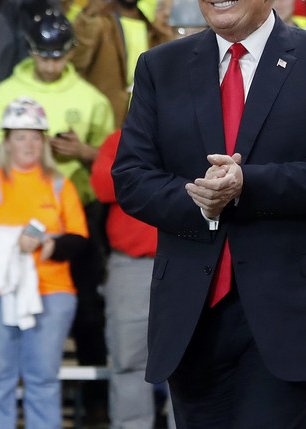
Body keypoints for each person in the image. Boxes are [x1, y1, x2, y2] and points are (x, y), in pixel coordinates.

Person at [112, 0, 306, 428]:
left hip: (289, 312)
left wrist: (246, 185)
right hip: (193, 314)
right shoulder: (159, 68)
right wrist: (200, 199)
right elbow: (132, 177)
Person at [0, 97, 89, 429]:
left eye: (34, 136)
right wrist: (11, 240)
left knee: (42, 379)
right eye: (20, 136)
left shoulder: (60, 184)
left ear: (43, 141)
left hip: (51, 293)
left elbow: (78, 238)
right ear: (6, 141)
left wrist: (48, 246)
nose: (28, 144)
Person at [92, 130, 176, 429]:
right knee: (128, 361)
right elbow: (103, 187)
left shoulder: (202, 131)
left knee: (191, 362)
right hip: (133, 265)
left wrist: (143, 176)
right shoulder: (118, 140)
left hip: (191, 263)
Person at [72, 0, 170, 127]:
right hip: (101, 124)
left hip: (145, 124)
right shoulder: (97, 23)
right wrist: (89, 13)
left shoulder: (158, 34)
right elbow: (76, 61)